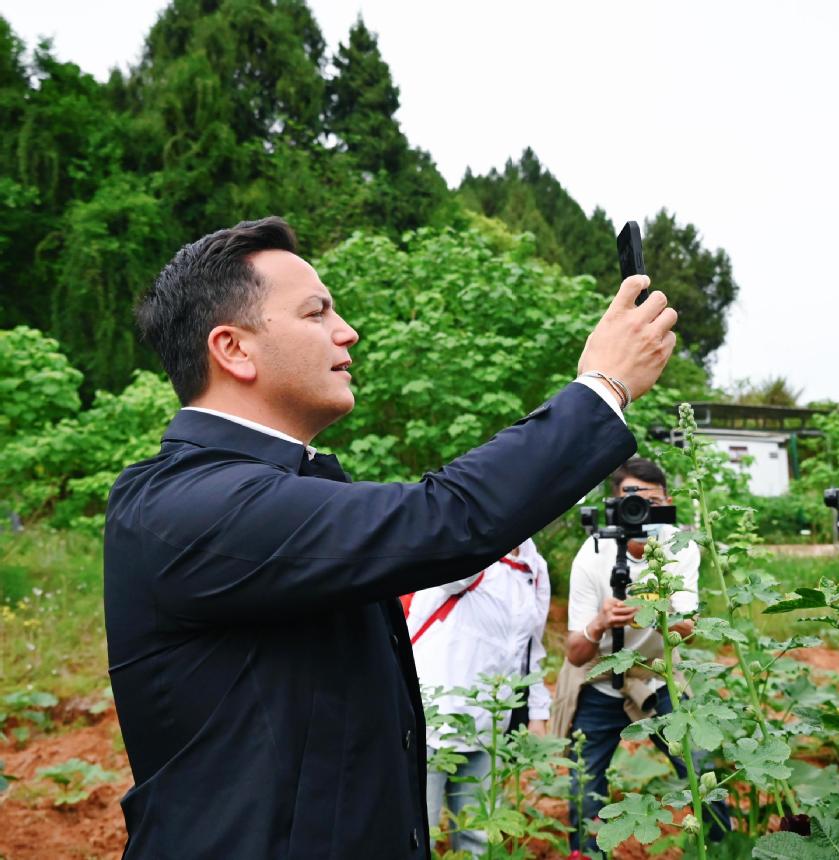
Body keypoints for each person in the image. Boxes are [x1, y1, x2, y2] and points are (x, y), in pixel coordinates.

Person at [104, 216, 678, 858]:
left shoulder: (274, 489)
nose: (347, 331)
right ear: (233, 349)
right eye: (316, 312)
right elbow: (444, 519)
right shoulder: (182, 502)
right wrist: (602, 388)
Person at [551, 457, 730, 854]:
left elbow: (689, 627)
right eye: (631, 501)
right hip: (600, 679)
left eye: (651, 502)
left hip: (656, 674)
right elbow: (575, 654)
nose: (641, 512)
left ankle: (721, 849)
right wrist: (600, 623)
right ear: (614, 505)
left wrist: (655, 608)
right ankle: (587, 853)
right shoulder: (592, 553)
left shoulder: (679, 548)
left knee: (701, 771)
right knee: (584, 789)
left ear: (667, 502)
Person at [407, 539, 551, 854]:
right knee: (419, 836)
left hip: (488, 727)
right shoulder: (473, 543)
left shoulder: (535, 568)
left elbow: (531, 649)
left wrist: (538, 713)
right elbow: (450, 572)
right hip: (430, 721)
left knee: (477, 838)